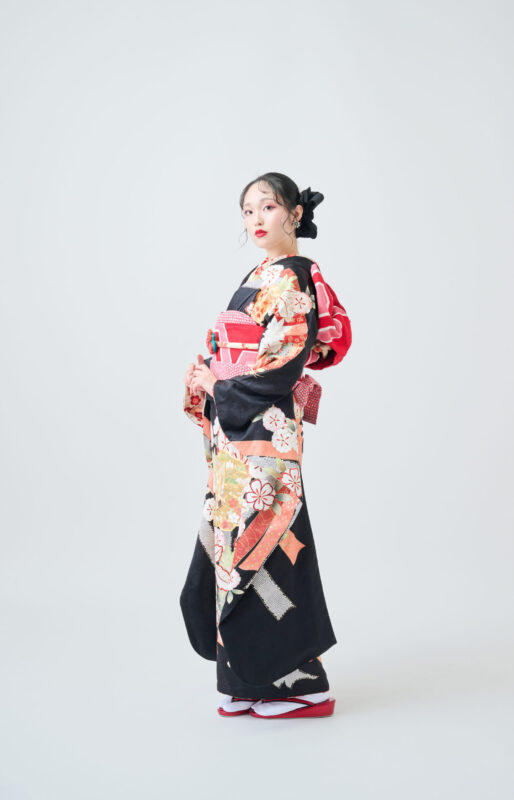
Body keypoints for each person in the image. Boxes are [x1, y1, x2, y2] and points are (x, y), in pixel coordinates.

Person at [180, 171, 352, 719]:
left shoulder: (294, 277)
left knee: (269, 546)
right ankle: (247, 680)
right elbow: (230, 347)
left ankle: (303, 683)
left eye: (268, 207)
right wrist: (207, 378)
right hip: (238, 436)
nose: (256, 218)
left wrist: (219, 385)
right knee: (232, 550)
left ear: (295, 214)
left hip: (265, 432)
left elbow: (282, 365)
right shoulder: (260, 274)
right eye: (248, 210)